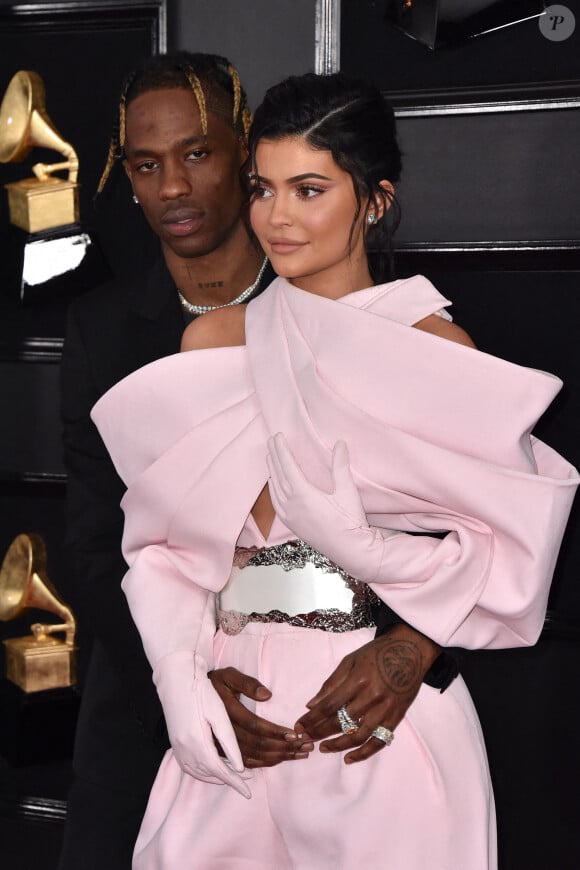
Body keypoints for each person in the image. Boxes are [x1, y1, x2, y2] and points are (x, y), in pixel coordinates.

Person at [91, 72, 578, 868]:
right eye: (262, 188)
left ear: (374, 199)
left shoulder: (433, 351)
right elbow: (164, 552)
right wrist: (181, 677)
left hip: (372, 722)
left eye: (308, 189)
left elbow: (511, 550)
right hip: (229, 718)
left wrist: (408, 649)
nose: (276, 218)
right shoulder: (211, 345)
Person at [59, 55, 445, 868]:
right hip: (160, 705)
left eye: (198, 154)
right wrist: (190, 679)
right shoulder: (104, 332)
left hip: (356, 723)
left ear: (242, 154)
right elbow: (103, 543)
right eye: (146, 163)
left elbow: (478, 534)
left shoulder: (399, 321)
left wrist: (411, 651)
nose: (172, 186)